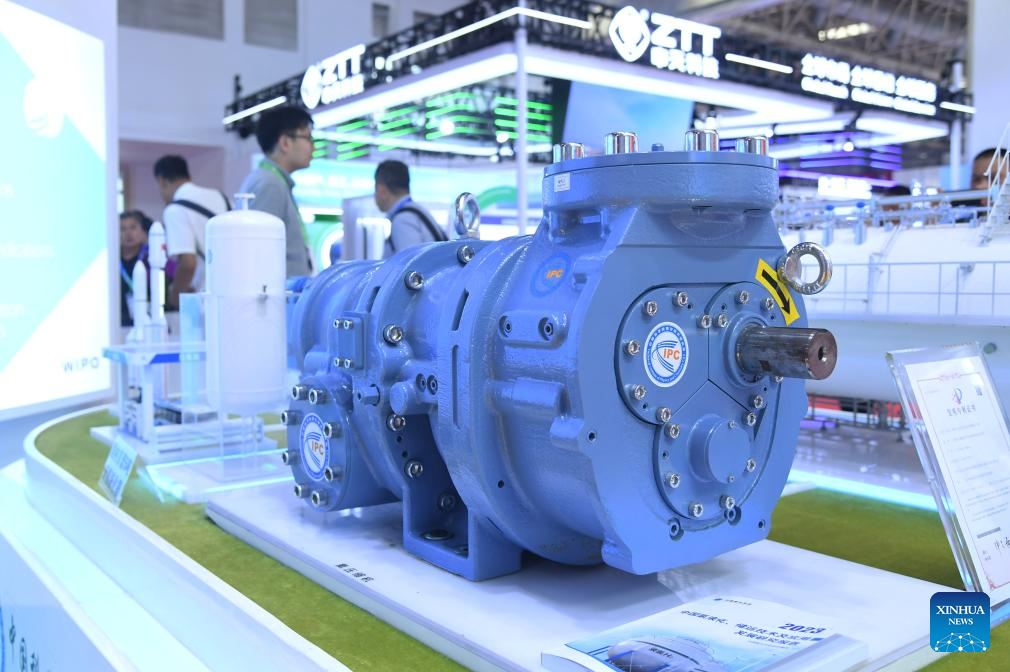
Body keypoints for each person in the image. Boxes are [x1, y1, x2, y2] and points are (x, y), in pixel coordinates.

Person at [240, 106, 315, 277]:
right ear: (285, 143)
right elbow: (259, 253)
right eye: (308, 138)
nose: (313, 147)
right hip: (278, 292)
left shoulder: (273, 181)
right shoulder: (269, 184)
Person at [154, 155, 229, 308]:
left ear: (162, 181)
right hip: (235, 289)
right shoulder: (220, 196)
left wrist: (175, 297)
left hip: (206, 298)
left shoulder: (174, 210)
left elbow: (188, 263)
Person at [373, 160, 446, 258]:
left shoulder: (403, 219)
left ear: (381, 190)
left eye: (375, 189)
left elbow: (411, 264)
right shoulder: (417, 211)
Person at [119, 210, 151, 327]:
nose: (128, 233)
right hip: (119, 322)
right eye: (122, 229)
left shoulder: (152, 256)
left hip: (150, 321)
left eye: (133, 228)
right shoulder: (111, 262)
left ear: (143, 232)